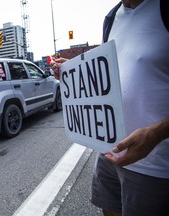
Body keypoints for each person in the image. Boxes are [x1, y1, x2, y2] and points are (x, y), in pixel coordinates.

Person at [51, 0, 169, 215]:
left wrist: (156, 133)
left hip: (154, 163)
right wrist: (70, 72)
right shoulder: (111, 18)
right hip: (109, 154)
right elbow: (112, 72)